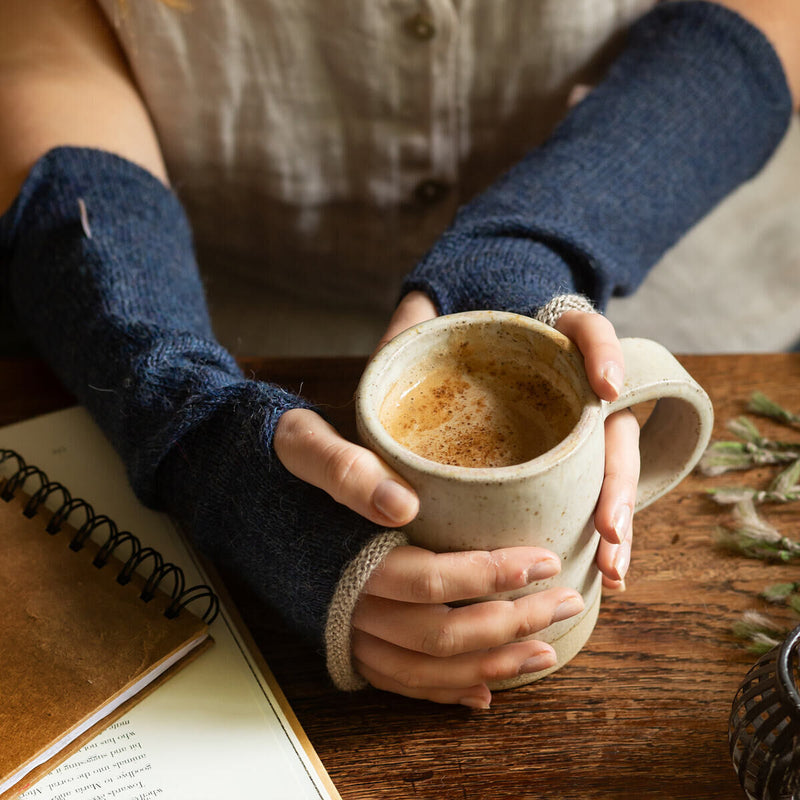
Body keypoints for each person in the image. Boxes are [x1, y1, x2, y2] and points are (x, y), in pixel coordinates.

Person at [0, 0, 798, 709]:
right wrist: (188, 417)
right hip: (220, 299)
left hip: (645, 263)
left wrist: (541, 231)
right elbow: (36, 35)